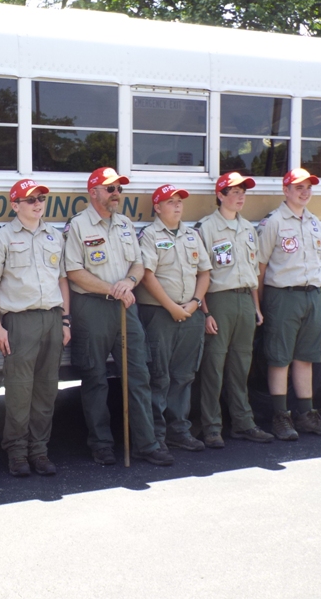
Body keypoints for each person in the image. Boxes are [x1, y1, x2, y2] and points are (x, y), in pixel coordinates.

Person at [64, 167, 172, 467]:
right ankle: (101, 445)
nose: (117, 194)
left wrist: (129, 281)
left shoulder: (125, 224)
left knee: (138, 375)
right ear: (93, 192)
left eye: (119, 189)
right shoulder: (78, 225)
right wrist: (112, 288)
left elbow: (138, 263)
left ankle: (146, 444)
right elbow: (73, 271)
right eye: (110, 189)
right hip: (92, 307)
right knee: (95, 377)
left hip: (125, 307)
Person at [0, 179, 71, 477]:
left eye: (41, 198)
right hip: (20, 322)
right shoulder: (2, 238)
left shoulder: (54, 236)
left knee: (47, 390)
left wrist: (65, 320)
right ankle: (17, 453)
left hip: (52, 319)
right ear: (15, 205)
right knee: (19, 391)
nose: (38, 204)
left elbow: (62, 279)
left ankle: (39, 451)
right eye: (30, 200)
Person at [194, 172, 274, 448]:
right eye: (235, 192)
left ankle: (243, 423)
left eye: (243, 192)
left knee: (241, 367)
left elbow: (253, 272)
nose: (241, 197)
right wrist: (205, 313)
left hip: (244, 302)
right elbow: (200, 273)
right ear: (220, 195)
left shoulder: (248, 228)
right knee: (213, 368)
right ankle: (211, 428)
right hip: (219, 301)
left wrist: (256, 308)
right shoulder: (206, 228)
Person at [257, 168, 321, 439]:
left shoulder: (313, 221)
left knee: (306, 357)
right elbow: (260, 267)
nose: (305, 192)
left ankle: (306, 416)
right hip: (283, 296)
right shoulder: (273, 222)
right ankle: (281, 418)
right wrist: (260, 304)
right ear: (286, 190)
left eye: (308, 187)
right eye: (299, 187)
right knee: (280, 358)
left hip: (311, 295)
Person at [136, 184, 212, 452]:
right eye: (171, 201)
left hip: (190, 312)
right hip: (159, 314)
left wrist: (195, 302)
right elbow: (147, 276)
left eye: (180, 201)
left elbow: (204, 272)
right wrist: (171, 307)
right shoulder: (149, 235)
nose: (178, 205)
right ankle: (156, 435)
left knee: (184, 375)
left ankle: (179, 430)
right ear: (157, 207)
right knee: (159, 376)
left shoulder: (192, 235)